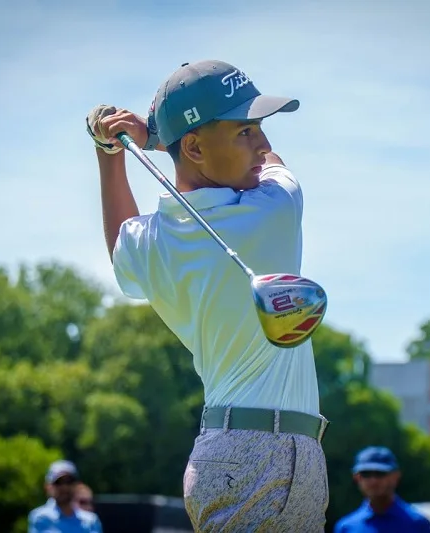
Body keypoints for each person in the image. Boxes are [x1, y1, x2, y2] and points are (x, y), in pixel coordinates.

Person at [85, 59, 329, 531]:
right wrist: (154, 138)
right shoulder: (271, 211)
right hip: (267, 457)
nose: (264, 145)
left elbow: (120, 242)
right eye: (245, 132)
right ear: (194, 146)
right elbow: (278, 168)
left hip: (232, 452)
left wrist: (112, 152)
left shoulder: (151, 242)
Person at [334, 446, 430, 533]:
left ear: (396, 476)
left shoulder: (418, 525)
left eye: (380, 473)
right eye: (366, 474)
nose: (373, 480)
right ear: (356, 477)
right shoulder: (346, 528)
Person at [28, 460, 102, 533]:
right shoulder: (40, 518)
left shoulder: (91, 521)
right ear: (48, 487)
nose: (64, 487)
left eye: (69, 482)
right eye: (58, 482)